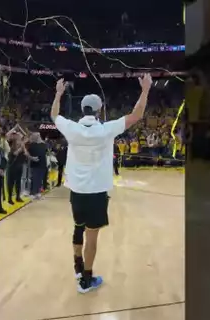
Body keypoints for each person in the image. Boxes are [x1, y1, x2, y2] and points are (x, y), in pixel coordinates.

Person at [51, 74, 152, 293]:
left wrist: (58, 93)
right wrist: (145, 90)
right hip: (96, 193)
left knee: (78, 228)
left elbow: (54, 115)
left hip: (76, 191)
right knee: (92, 236)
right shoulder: (107, 129)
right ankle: (86, 279)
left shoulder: (72, 128)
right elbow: (137, 115)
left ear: (83, 109)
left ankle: (78, 266)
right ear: (99, 110)